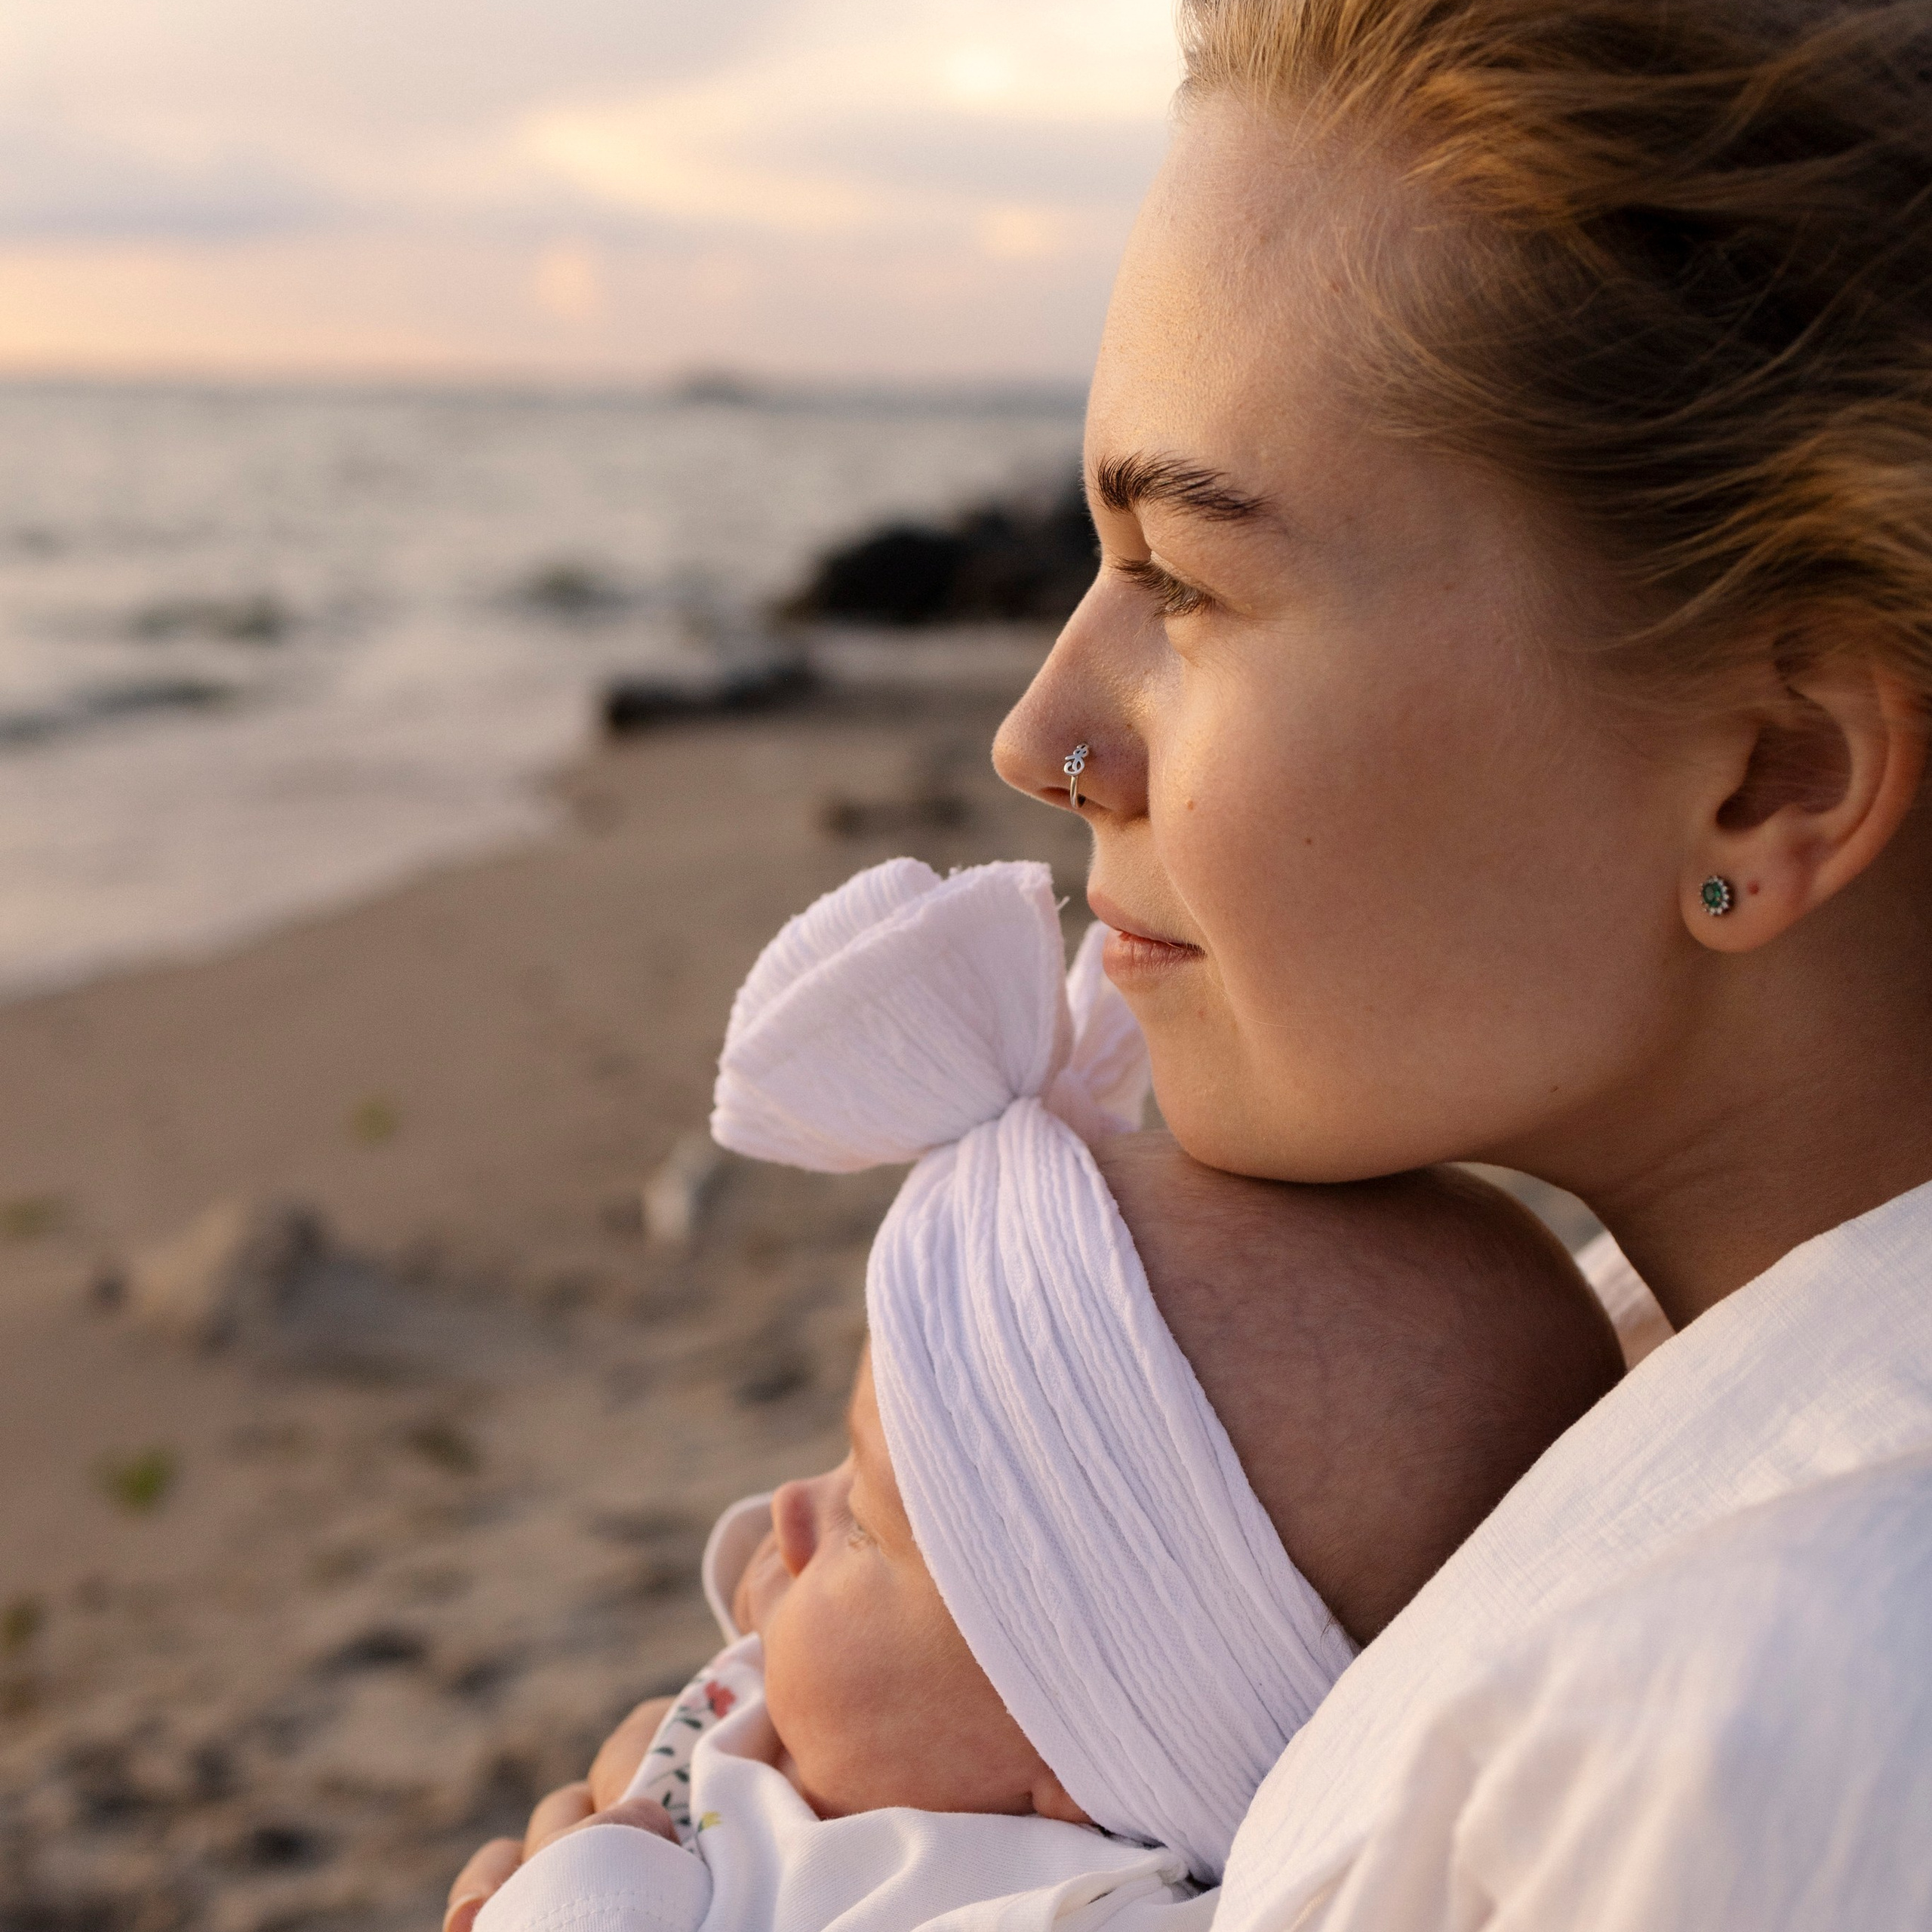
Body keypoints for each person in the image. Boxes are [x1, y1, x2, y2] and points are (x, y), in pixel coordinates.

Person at [459, 0, 1932, 1923]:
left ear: (1770, 771)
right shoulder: (1659, 1395)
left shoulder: (1748, 1731)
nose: (1040, 728)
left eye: (1189, 582)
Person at [459, 860, 1619, 1932]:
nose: (788, 1512)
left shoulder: (1035, 1900)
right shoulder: (897, 1742)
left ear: (1084, 1755)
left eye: (864, 1522)